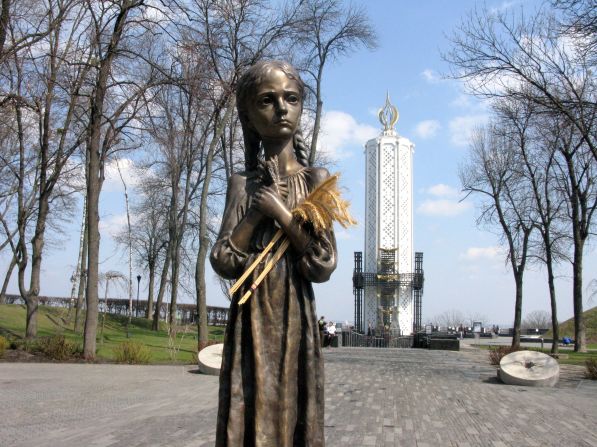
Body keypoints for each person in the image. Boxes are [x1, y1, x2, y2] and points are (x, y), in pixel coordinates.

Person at [210, 60, 337, 447]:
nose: (282, 108)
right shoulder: (241, 184)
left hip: (296, 313)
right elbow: (223, 259)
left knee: (294, 407)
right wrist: (255, 210)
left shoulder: (316, 181)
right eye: (268, 100)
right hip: (251, 313)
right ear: (249, 114)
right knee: (248, 402)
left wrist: (283, 215)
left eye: (291, 98)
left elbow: (323, 263)